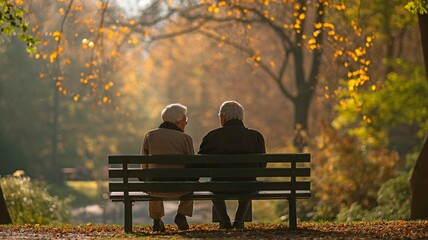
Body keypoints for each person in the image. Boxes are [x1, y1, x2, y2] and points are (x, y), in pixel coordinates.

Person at [198, 100, 266, 229]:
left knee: (213, 183)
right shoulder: (256, 136)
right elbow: (262, 166)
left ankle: (224, 220)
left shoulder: (213, 136)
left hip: (220, 187)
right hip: (247, 186)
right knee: (249, 180)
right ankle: (239, 220)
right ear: (241, 117)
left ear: (223, 117)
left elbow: (201, 164)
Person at [140, 103, 194, 232]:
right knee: (192, 182)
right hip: (181, 187)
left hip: (156, 188)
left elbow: (144, 163)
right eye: (185, 119)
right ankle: (181, 215)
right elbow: (192, 166)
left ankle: (157, 220)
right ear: (177, 121)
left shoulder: (150, 135)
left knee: (152, 180)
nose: (186, 123)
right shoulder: (185, 138)